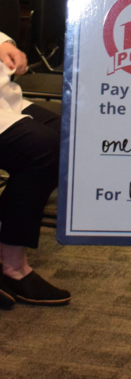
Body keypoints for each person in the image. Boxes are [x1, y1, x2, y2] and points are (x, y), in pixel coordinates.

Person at [0, 34, 71, 309]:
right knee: (43, 149)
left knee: (69, 138)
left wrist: (4, 44)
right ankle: (13, 266)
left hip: (5, 97)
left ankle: (8, 257)